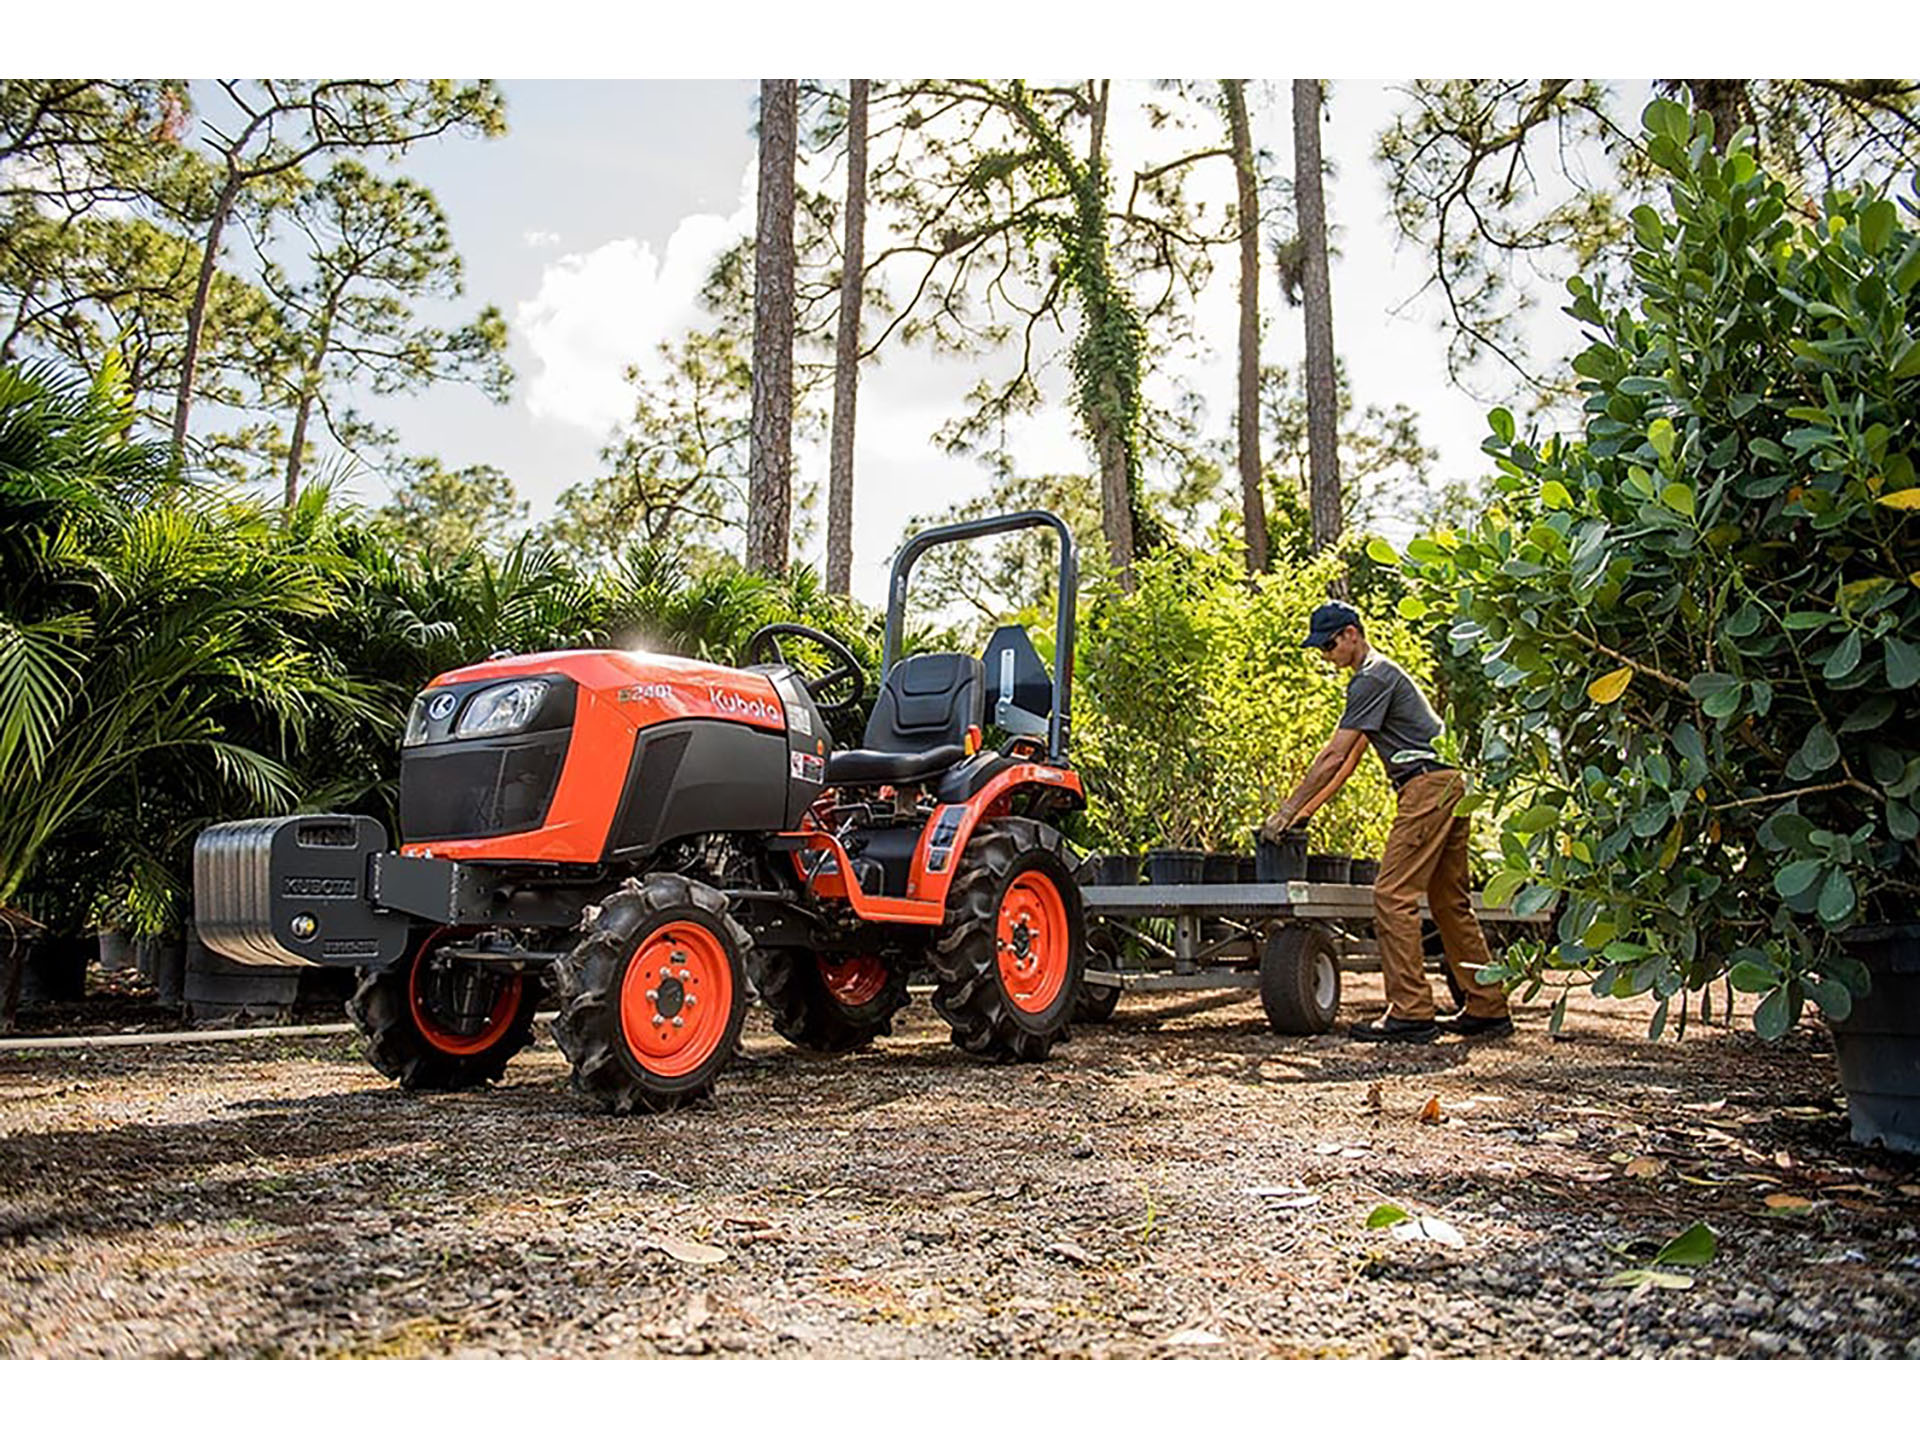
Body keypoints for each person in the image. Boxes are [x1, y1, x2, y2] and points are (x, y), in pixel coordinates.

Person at [1261, 600, 1513, 1043]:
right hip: (1451, 783)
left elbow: (1334, 754)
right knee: (1449, 902)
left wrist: (1284, 811)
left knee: (1392, 894)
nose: (1326, 654)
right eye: (1321, 648)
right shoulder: (1380, 676)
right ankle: (1487, 1006)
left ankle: (1411, 1012)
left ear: (1352, 633)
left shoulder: (1372, 677)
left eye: (1329, 644)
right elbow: (1350, 761)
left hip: (1427, 786)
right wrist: (1303, 814)